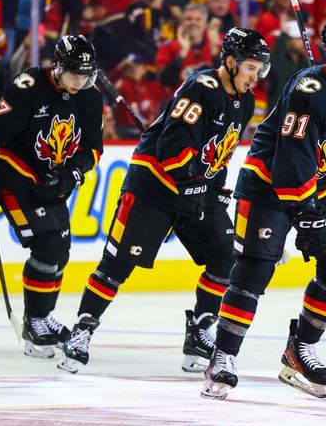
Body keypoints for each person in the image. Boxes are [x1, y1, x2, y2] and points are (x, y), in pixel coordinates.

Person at [57, 27, 269, 375]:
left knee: (224, 257)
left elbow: (220, 154)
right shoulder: (202, 88)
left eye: (260, 69)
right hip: (154, 185)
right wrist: (192, 184)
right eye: (250, 67)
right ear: (230, 62)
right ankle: (81, 331)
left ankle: (200, 332)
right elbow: (171, 147)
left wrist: (212, 188)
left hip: (195, 188)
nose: (255, 76)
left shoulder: (244, 102)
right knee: (117, 264)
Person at [201, 16, 326, 400]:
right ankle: (223, 355)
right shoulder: (307, 89)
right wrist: (307, 215)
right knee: (255, 269)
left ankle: (299, 348)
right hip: (268, 183)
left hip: (320, 180)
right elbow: (292, 160)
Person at [0, 35, 103, 358]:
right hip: (16, 178)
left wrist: (72, 173)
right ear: (57, 66)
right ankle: (35, 322)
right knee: (48, 246)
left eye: (86, 75)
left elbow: (93, 149)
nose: (80, 81)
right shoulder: (29, 86)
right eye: (74, 74)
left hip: (52, 181)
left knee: (62, 252)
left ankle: (44, 315)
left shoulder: (90, 97)